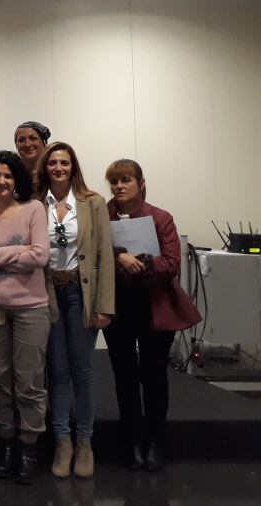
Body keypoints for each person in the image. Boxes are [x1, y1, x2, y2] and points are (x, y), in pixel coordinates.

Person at [103, 159, 200, 473]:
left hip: (155, 305)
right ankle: (131, 443)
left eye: (126, 180)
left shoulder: (161, 217)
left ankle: (155, 442)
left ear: (141, 183)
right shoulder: (101, 215)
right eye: (114, 181)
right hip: (118, 307)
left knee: (154, 376)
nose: (119, 186)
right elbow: (93, 253)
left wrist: (140, 262)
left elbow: (172, 262)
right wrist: (119, 256)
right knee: (125, 377)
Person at [36, 142, 115, 479]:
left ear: (73, 167)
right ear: (45, 167)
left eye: (64, 162)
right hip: (48, 292)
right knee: (58, 369)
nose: (58, 167)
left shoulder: (92, 202)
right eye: (52, 162)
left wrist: (104, 306)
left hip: (82, 294)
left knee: (82, 370)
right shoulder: (35, 203)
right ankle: (62, 442)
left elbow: (104, 256)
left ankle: (85, 442)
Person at [0, 151, 50, 485]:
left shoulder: (34, 209)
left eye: (7, 175)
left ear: (16, 178)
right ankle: (5, 445)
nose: (1, 181)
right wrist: (19, 252)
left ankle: (28, 448)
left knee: (30, 382)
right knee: (0, 382)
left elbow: (41, 255)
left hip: (31, 308)